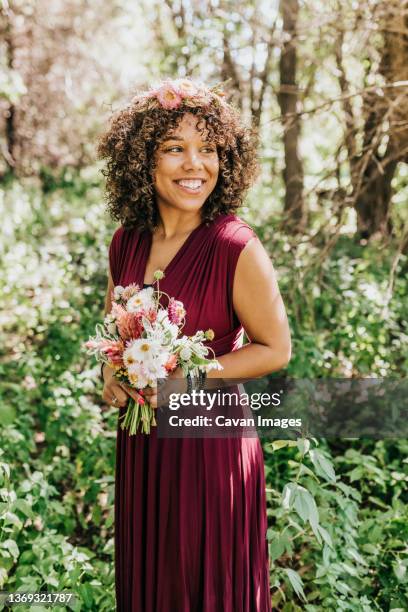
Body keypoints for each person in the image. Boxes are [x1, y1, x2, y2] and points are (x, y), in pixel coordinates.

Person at [97, 78, 291, 611]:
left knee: (202, 582)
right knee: (154, 579)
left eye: (208, 149)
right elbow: (112, 330)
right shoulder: (127, 240)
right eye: (174, 148)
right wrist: (113, 375)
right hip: (143, 444)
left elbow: (275, 349)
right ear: (144, 160)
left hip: (212, 446)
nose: (194, 164)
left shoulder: (235, 245)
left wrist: (191, 379)